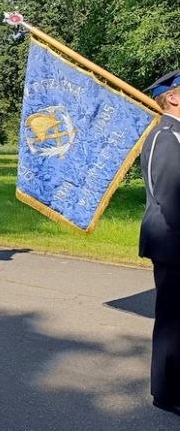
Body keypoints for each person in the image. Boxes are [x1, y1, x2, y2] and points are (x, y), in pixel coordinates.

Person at [140, 69, 180, 416]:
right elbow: (170, 197)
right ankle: (167, 393)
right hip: (172, 241)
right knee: (172, 319)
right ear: (173, 96)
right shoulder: (166, 136)